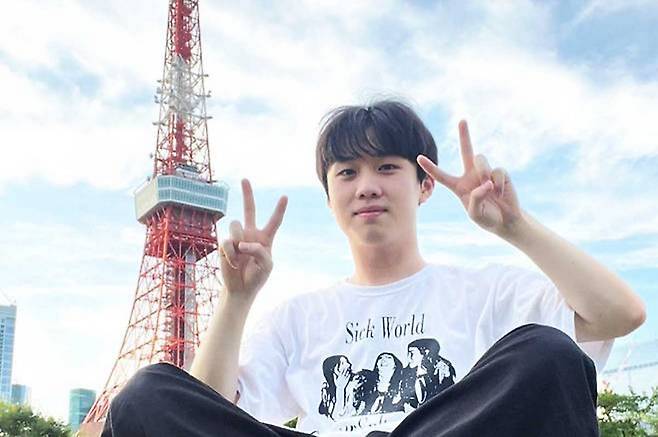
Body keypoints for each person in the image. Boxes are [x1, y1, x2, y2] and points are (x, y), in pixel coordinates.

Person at [102, 100, 646, 437]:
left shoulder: (487, 292)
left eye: (387, 167)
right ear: (329, 195)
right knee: (145, 395)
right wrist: (237, 299)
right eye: (347, 173)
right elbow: (203, 412)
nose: (367, 186)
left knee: (547, 350)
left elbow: (620, 314)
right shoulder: (297, 317)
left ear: (425, 186)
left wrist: (516, 227)